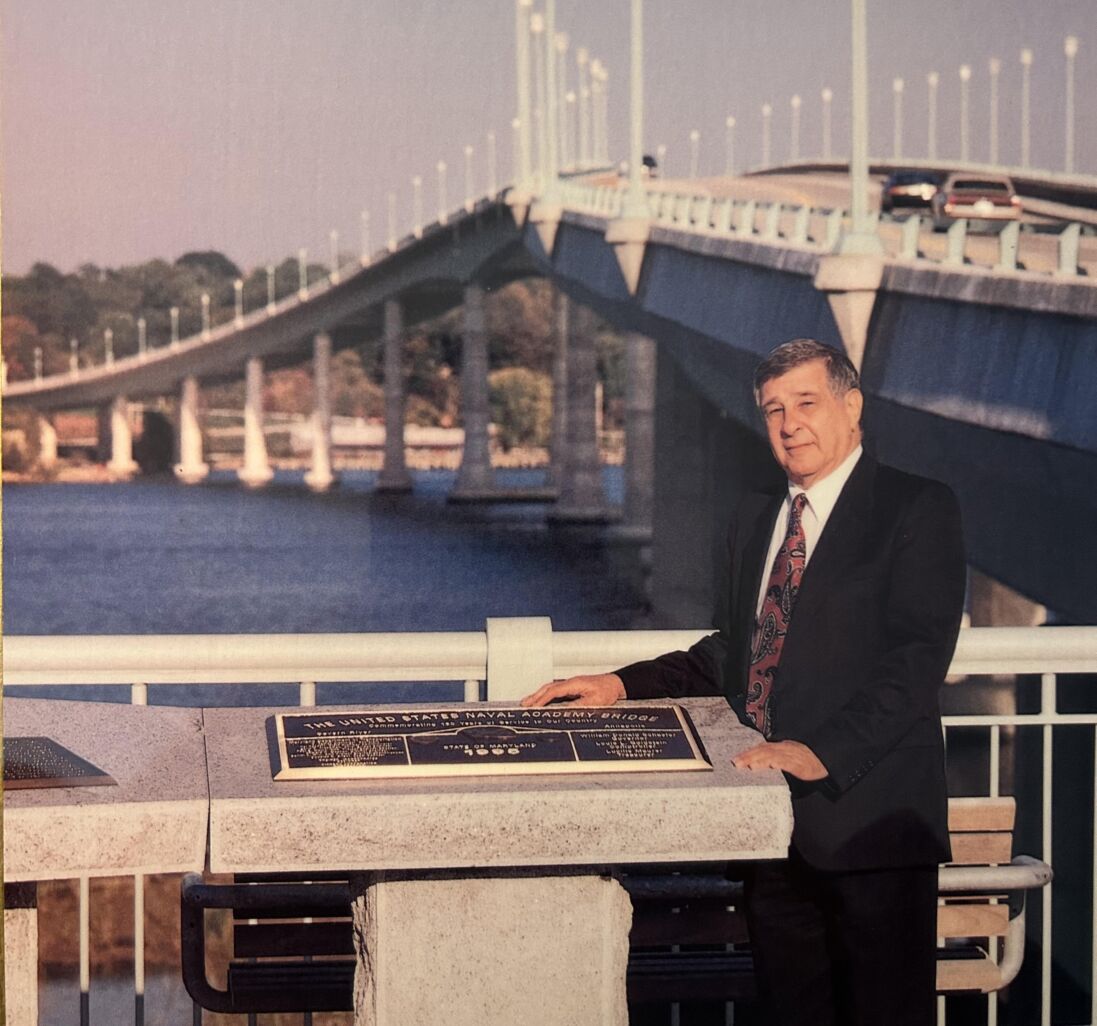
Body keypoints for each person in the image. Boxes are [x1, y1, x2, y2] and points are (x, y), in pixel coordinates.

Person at [522, 338, 966, 1026]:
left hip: (871, 826)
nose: (789, 424)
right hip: (770, 829)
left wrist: (819, 752)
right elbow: (737, 653)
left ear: (851, 407)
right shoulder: (756, 516)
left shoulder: (915, 507)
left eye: (806, 403)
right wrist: (619, 685)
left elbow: (915, 660)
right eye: (773, 410)